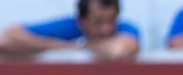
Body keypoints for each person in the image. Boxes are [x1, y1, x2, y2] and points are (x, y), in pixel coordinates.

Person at [0, 0, 139, 61]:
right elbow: (6, 40)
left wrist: (81, 47)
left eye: (111, 20)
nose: (106, 28)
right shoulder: (69, 27)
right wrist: (63, 47)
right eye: (97, 21)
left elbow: (120, 51)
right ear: (81, 20)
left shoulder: (125, 28)